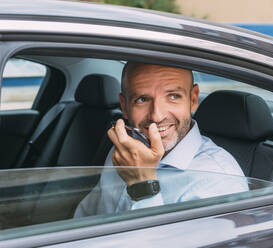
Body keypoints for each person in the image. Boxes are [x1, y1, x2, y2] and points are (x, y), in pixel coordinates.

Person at [74, 62, 247, 217]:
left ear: (193, 100)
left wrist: (142, 184)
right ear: (124, 106)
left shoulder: (218, 180)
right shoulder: (124, 151)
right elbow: (87, 217)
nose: (157, 116)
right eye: (142, 99)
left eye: (173, 96)